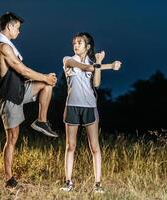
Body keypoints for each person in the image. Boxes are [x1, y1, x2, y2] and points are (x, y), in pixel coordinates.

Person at [0, 12, 58, 188]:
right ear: (10, 26)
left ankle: (41, 121)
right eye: (18, 28)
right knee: (12, 137)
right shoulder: (3, 48)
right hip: (9, 97)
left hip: (21, 90)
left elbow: (23, 75)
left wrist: (46, 79)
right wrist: (43, 76)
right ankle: (9, 179)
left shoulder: (9, 45)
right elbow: (21, 70)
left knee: (47, 85)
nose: (19, 32)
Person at [60, 32, 121, 193]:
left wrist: (99, 63)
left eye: (80, 42)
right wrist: (109, 65)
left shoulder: (94, 63)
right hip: (72, 106)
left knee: (94, 147)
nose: (76, 45)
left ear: (87, 47)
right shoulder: (68, 59)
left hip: (89, 107)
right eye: (74, 42)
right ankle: (68, 182)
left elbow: (97, 83)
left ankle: (98, 183)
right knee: (70, 146)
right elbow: (85, 67)